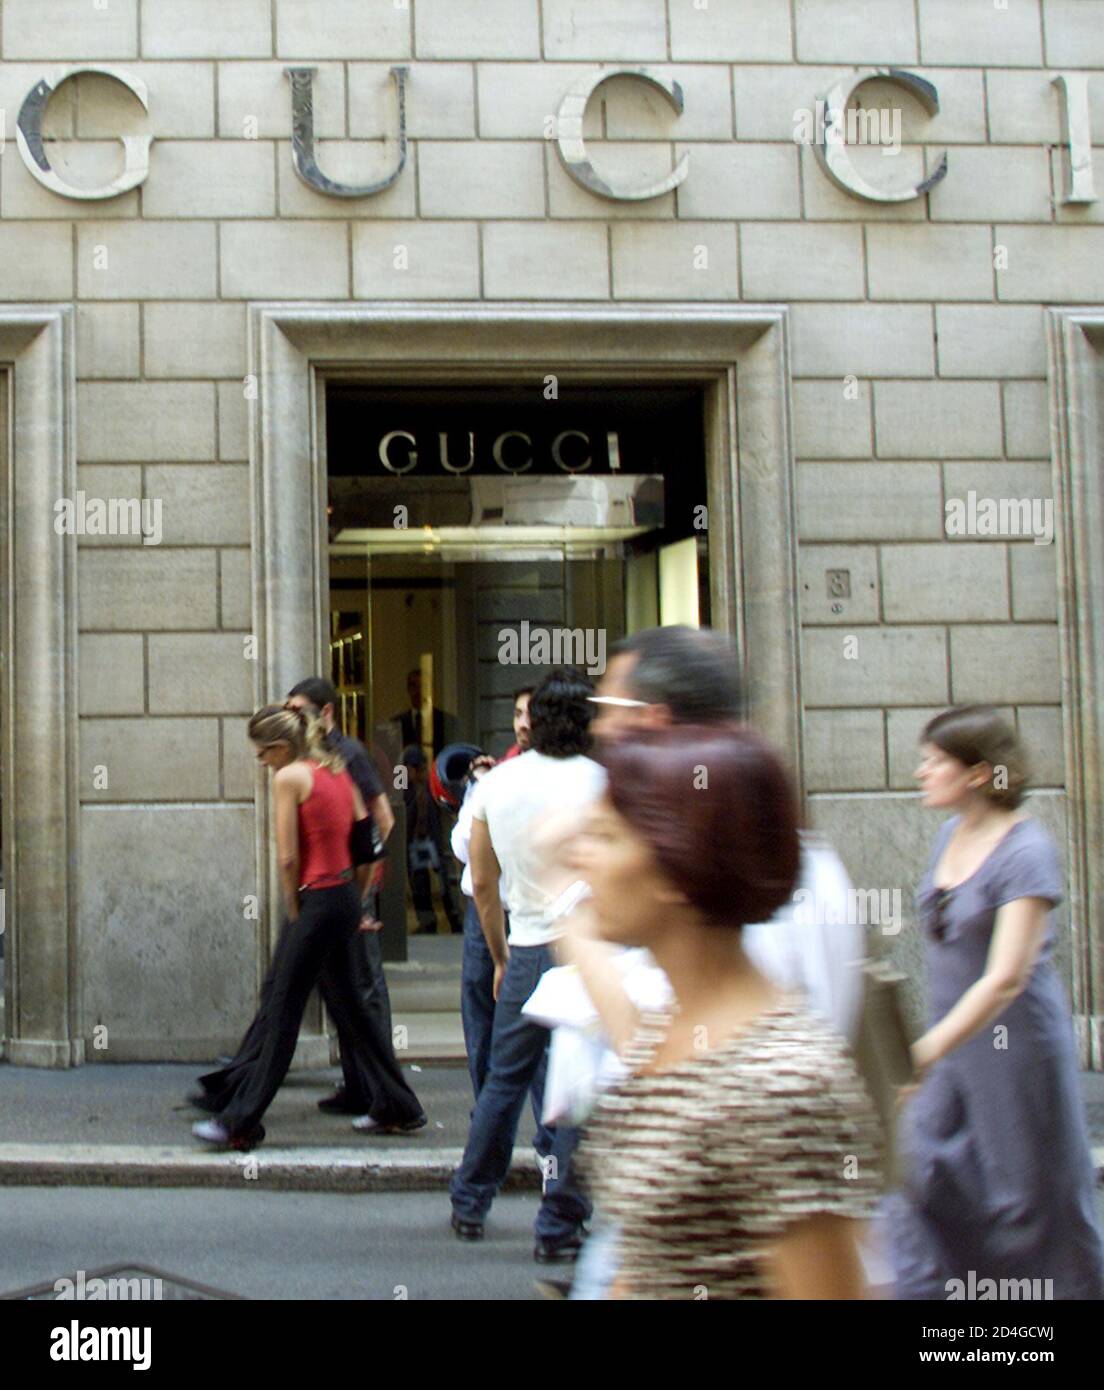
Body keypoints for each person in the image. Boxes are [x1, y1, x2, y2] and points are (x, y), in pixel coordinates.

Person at [564, 723, 882, 1299]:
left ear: (676, 873)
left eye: (605, 837)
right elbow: (654, 1257)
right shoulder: (671, 1026)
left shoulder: (780, 1085)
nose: (578, 856)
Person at [886, 705, 1104, 1300]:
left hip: (1015, 1049)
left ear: (979, 773)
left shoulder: (1025, 851)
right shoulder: (948, 835)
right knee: (922, 1174)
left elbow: (1005, 977)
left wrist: (926, 1050)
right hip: (954, 1040)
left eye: (934, 762)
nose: (920, 772)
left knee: (1026, 1199)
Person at [190, 705, 426, 1148]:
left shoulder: (289, 778)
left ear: (280, 748)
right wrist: (354, 903)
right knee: (352, 1008)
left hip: (316, 900)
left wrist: (297, 909)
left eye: (262, 753)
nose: (261, 762)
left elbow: (287, 857)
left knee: (283, 1009)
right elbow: (366, 846)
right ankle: (401, 1105)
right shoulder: (337, 771)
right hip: (341, 899)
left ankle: (240, 1121)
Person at [449, 669, 605, 1261]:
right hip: (588, 949)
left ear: (531, 721)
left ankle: (470, 1199)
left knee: (504, 1079)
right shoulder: (604, 784)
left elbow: (483, 884)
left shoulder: (498, 785)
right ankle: (561, 1220)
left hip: (528, 947)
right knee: (578, 1092)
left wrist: (498, 953)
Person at [285, 678, 425, 1131]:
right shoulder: (313, 759)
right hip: (336, 891)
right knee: (344, 990)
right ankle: (360, 1087)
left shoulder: (350, 754)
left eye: (301, 711)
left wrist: (359, 887)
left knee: (364, 991)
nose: (294, 719)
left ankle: (383, 1094)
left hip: (347, 891)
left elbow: (381, 819)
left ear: (327, 713)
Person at [402, 744, 464, 935]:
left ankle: (453, 920)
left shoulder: (431, 782)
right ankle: (428, 922)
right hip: (416, 839)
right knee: (420, 883)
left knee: (442, 882)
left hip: (429, 838)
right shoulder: (406, 783)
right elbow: (398, 798)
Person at [394, 668, 448, 757]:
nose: (418, 691)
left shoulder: (444, 720)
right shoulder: (397, 722)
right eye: (413, 686)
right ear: (408, 689)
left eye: (422, 686)